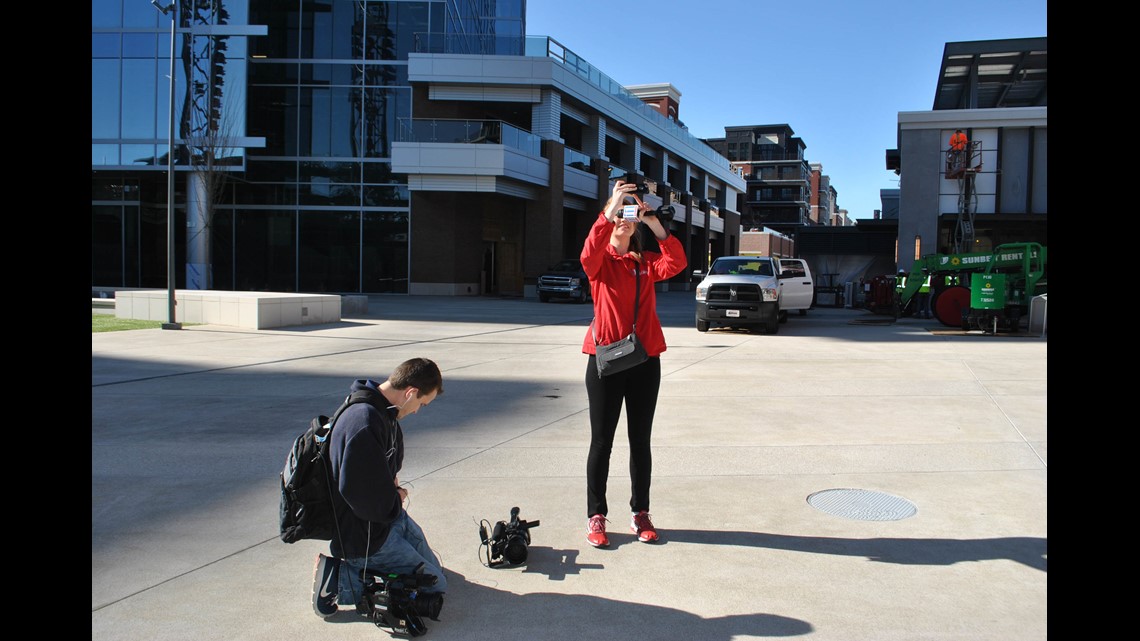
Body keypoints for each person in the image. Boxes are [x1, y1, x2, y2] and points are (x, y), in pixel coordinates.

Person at [580, 180, 687, 548]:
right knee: (602, 442)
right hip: (605, 362)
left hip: (644, 360)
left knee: (640, 441)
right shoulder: (600, 266)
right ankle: (596, 515)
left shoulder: (644, 264)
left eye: (629, 218)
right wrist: (612, 205)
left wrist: (652, 221)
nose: (624, 222)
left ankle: (640, 513)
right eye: (619, 218)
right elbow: (588, 253)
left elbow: (677, 262)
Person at [312, 357, 446, 618]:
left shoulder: (384, 412)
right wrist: (394, 498)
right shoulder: (363, 422)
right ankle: (339, 577)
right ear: (410, 392)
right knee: (436, 586)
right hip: (366, 539)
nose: (418, 410)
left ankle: (392, 569)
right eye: (421, 403)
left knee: (435, 570)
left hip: (387, 520)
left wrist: (393, 494)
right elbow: (364, 499)